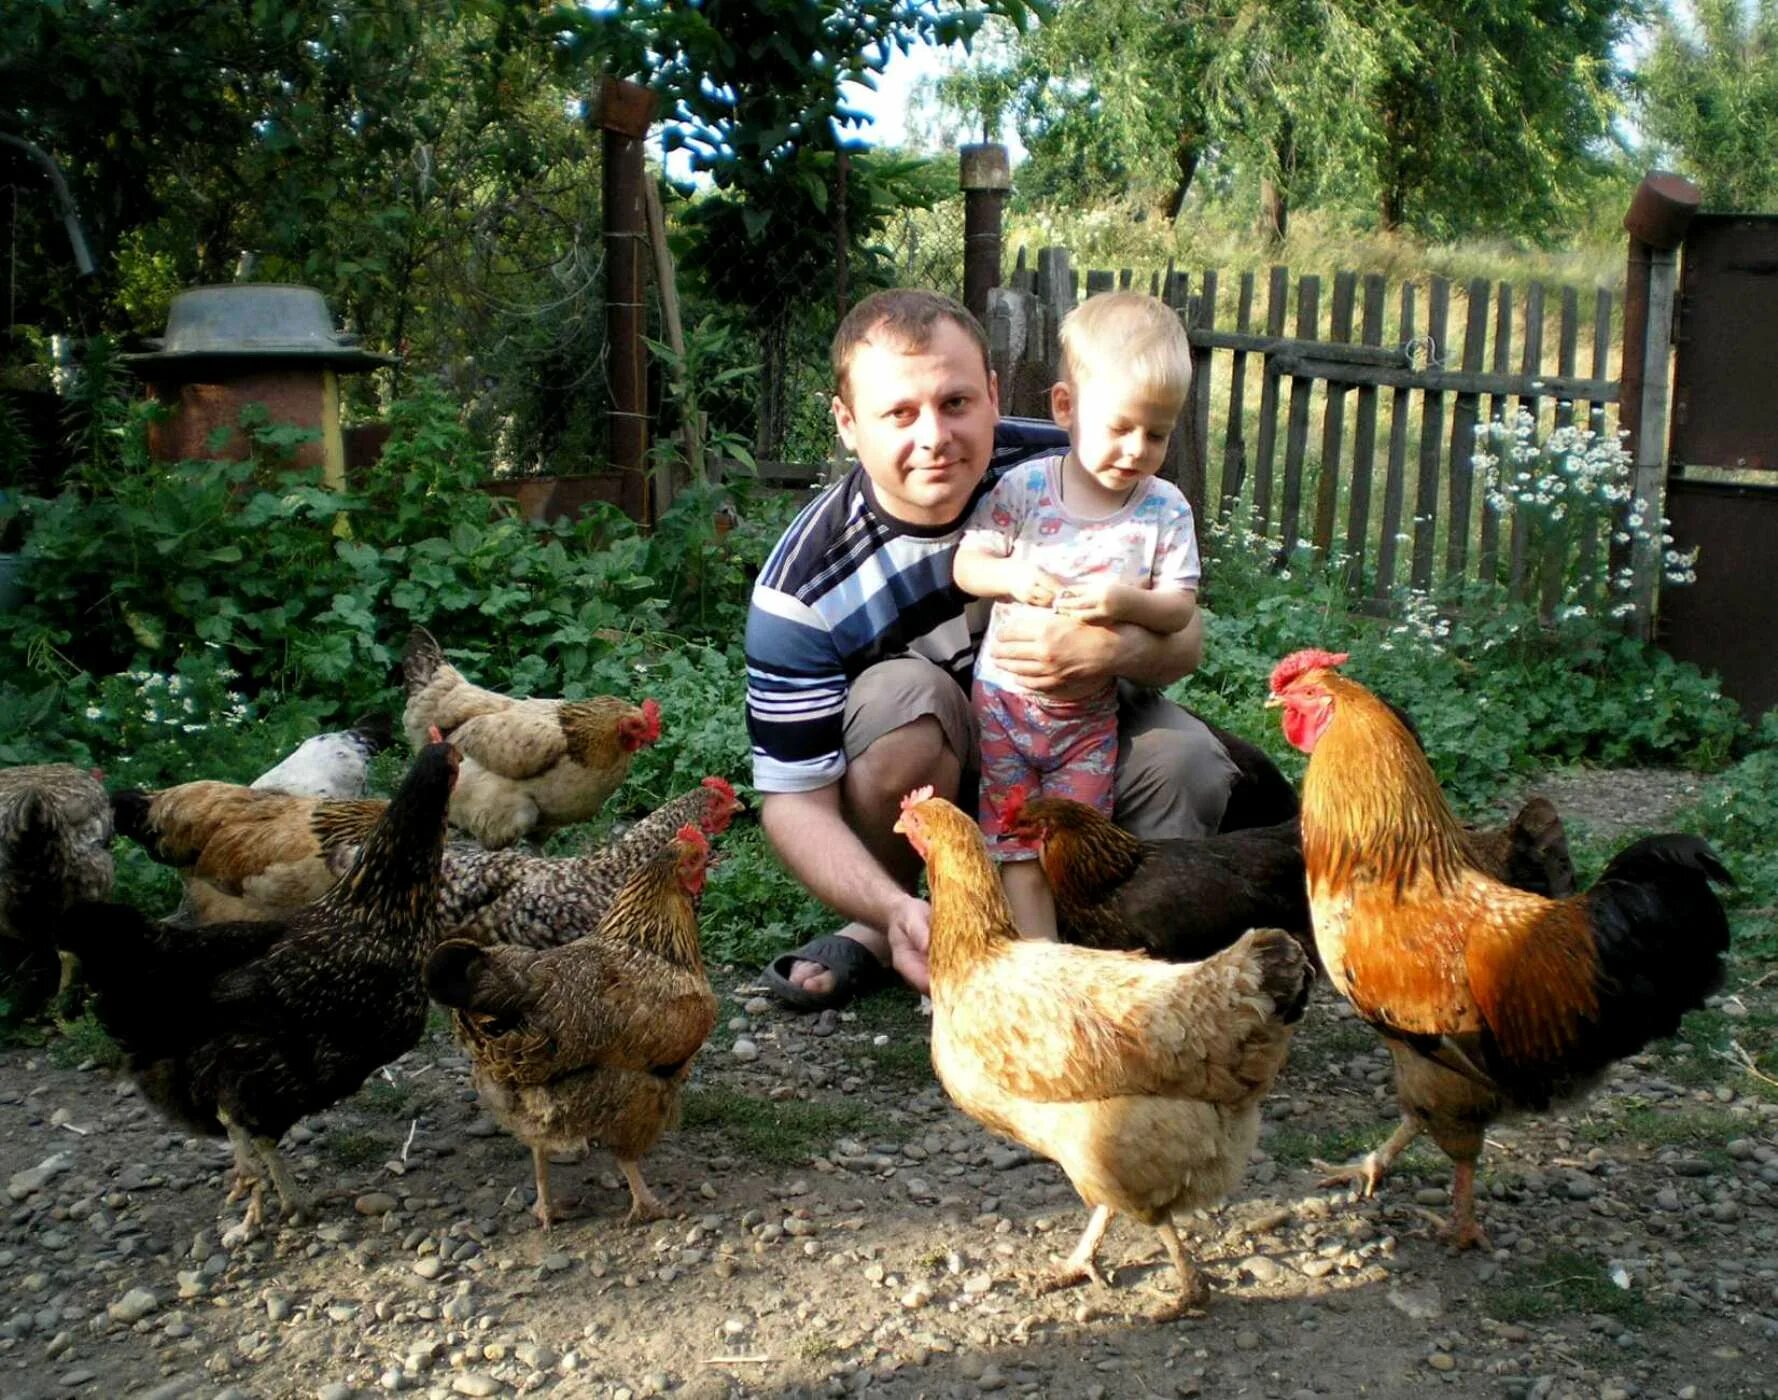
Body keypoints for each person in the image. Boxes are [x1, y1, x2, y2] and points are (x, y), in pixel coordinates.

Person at [746, 288, 1241, 1010]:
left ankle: (1105, 939)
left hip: (1081, 728)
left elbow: (1187, 636)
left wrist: (1103, 651)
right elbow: (793, 805)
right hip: (943, 765)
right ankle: (895, 918)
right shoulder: (801, 592)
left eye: (955, 403)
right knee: (901, 702)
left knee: (1190, 765)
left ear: (994, 393)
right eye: (899, 413)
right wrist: (889, 906)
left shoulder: (1073, 461)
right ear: (848, 424)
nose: (935, 436)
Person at [953, 292, 1200, 940]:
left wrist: (1126, 603)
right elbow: (967, 566)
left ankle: (1079, 954)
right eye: (1121, 427)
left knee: (1076, 849)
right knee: (1012, 839)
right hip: (1006, 705)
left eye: (1158, 433)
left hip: (1089, 719)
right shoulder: (1028, 488)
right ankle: (1041, 968)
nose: (1138, 449)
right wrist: (1011, 575)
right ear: (1066, 407)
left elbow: (1178, 611)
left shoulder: (1165, 510)